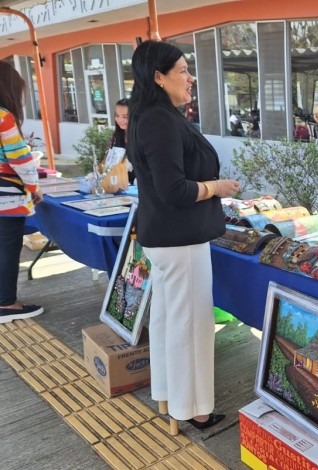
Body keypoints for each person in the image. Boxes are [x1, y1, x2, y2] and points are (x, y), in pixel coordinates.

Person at [127, 40, 240, 430]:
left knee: (168, 321)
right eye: (182, 71)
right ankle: (195, 409)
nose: (190, 78)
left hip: (167, 238)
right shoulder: (159, 119)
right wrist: (215, 187)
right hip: (180, 238)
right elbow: (174, 189)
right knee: (190, 327)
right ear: (158, 77)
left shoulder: (150, 115)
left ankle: (170, 398)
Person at [0, 61, 44, 323]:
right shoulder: (3, 116)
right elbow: (20, 159)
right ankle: (7, 303)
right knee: (7, 248)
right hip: (6, 198)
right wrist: (34, 188)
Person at [110, 98, 135, 184]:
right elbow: (108, 162)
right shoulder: (115, 136)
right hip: (119, 185)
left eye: (125, 117)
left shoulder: (143, 136)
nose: (120, 120)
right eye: (117, 115)